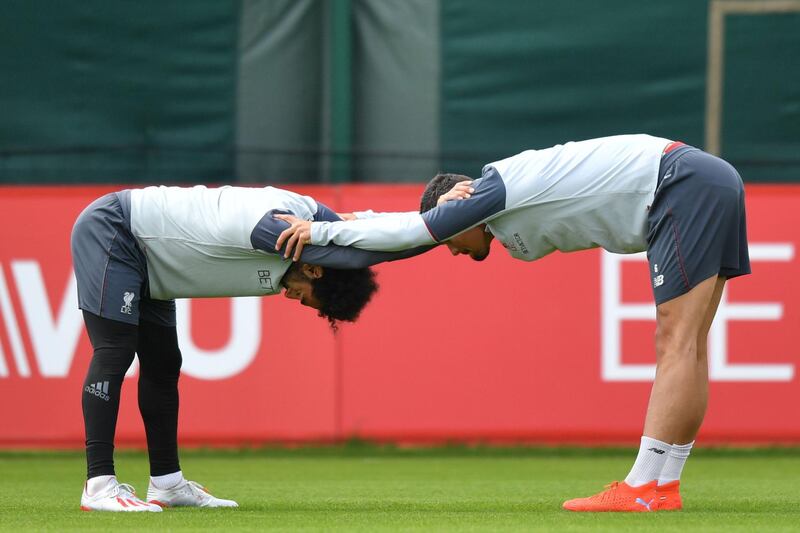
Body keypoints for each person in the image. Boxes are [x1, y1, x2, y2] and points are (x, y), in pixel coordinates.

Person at [275, 134, 751, 512]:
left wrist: (322, 231)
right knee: (689, 345)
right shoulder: (493, 203)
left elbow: (414, 232)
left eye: (450, 239)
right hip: (701, 180)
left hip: (680, 184)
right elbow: (409, 230)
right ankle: (662, 484)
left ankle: (646, 485)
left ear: (458, 205)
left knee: (677, 341)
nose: (454, 251)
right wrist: (354, 220)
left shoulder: (494, 189)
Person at [71, 184, 427, 512]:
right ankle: (99, 484)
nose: (290, 297)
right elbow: (372, 248)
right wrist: (442, 227)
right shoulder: (280, 233)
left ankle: (167, 484)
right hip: (116, 230)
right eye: (305, 298)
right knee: (115, 350)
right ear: (315, 270)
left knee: (164, 364)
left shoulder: (310, 239)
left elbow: (370, 233)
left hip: (154, 262)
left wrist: (436, 222)